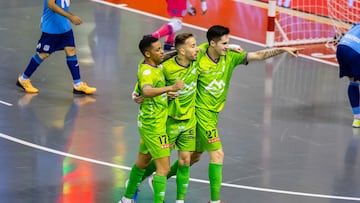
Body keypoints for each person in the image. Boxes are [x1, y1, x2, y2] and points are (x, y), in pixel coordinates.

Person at [119, 36, 184, 203]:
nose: (162, 52)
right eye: (157, 50)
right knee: (164, 168)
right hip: (153, 126)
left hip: (149, 123)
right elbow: (147, 91)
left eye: (161, 48)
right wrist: (171, 88)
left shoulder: (152, 64)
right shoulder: (148, 71)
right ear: (147, 53)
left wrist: (179, 51)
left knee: (143, 162)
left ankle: (126, 200)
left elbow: (164, 57)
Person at [16, 0, 96, 95]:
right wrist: (71, 16)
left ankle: (78, 85)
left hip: (64, 26)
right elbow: (51, 5)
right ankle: (23, 79)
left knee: (71, 50)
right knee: (43, 54)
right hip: (51, 27)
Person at [336, 23, 360, 128]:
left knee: (353, 81)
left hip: (342, 47)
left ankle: (357, 119)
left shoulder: (357, 25)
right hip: (355, 51)